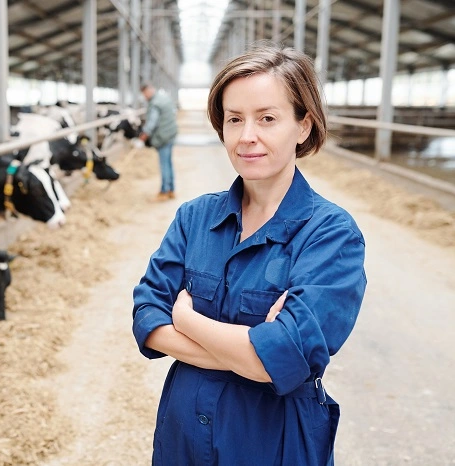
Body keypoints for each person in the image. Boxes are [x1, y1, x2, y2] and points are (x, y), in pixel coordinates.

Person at [132, 43, 367, 465]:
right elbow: (147, 317)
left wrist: (186, 321)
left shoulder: (331, 235)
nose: (247, 136)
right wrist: (249, 349)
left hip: (270, 442)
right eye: (234, 119)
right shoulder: (195, 218)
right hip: (183, 437)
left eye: (268, 118)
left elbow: (285, 358)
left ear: (303, 126)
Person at [139, 83, 178, 202]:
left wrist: (143, 136)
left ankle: (164, 191)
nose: (144, 97)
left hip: (163, 137)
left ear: (149, 91)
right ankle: (171, 189)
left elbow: (152, 122)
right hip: (171, 134)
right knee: (169, 163)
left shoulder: (155, 103)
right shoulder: (164, 98)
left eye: (144, 94)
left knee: (164, 164)